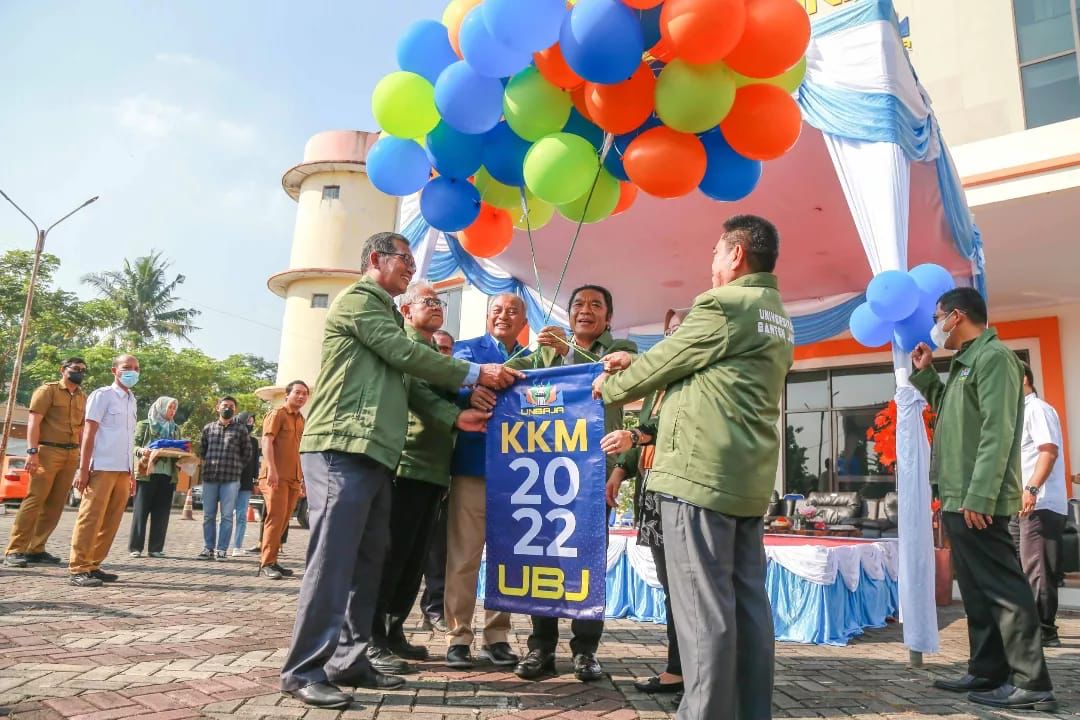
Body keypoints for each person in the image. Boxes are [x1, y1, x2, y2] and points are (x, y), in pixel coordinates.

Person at [279, 232, 520, 710]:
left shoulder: (387, 311)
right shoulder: (360, 301)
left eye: (412, 259)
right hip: (341, 446)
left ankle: (349, 660)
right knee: (333, 561)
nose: (412, 267)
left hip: (376, 453)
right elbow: (407, 355)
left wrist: (457, 416)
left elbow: (409, 384)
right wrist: (475, 374)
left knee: (369, 563)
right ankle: (304, 669)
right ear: (375, 259)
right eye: (404, 259)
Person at [595, 215, 795, 720]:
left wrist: (612, 387)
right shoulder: (775, 314)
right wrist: (635, 363)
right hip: (744, 479)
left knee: (702, 612)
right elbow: (695, 364)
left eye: (714, 253)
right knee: (747, 608)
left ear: (736, 255)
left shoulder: (725, 304)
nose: (710, 265)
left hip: (698, 475)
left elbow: (666, 364)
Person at [911, 287, 1056, 711]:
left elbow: (997, 432)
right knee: (975, 589)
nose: (936, 326)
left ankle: (1033, 683)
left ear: (956, 316)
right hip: (958, 495)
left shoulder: (994, 359)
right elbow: (952, 412)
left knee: (1005, 589)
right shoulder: (964, 363)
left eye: (939, 317)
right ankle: (987, 670)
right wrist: (926, 374)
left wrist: (980, 493)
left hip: (980, 499)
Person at [501, 284, 637, 683]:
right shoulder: (547, 348)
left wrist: (566, 353)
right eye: (578, 304)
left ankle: (585, 651)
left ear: (608, 318)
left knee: (588, 563)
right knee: (543, 557)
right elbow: (519, 390)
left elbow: (614, 382)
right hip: (545, 471)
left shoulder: (620, 350)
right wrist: (523, 354)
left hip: (594, 477)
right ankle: (540, 647)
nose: (586, 310)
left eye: (596, 304)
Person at [367, 282, 463, 672]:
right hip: (406, 464)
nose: (437, 306)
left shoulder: (431, 350)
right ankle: (370, 638)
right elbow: (421, 396)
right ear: (406, 311)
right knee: (391, 556)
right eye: (428, 301)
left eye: (440, 302)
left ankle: (393, 631)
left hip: (435, 469)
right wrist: (459, 416)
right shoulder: (406, 348)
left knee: (414, 559)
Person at [441, 293, 529, 671]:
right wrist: (469, 390)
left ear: (524, 318)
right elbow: (447, 386)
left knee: (507, 558)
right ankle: (458, 636)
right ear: (486, 315)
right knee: (464, 556)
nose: (504, 315)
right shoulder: (465, 352)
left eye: (512, 310)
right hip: (474, 466)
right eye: (497, 309)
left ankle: (498, 636)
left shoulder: (534, 360)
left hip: (520, 474)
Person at [601, 308, 687, 695]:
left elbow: (655, 431)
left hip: (681, 490)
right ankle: (679, 664)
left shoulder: (691, 376)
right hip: (652, 494)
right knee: (671, 584)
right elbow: (645, 429)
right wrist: (620, 471)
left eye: (682, 330)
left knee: (687, 585)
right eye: (669, 330)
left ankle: (684, 667)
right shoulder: (658, 382)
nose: (674, 336)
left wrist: (634, 438)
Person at [4, 357, 87, 568]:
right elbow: (34, 422)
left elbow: (81, 429)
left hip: (70, 454)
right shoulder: (47, 391)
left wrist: (82, 458)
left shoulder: (81, 396)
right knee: (35, 500)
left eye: (83, 370)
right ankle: (15, 550)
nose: (79, 373)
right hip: (47, 451)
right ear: (63, 370)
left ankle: (36, 549)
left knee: (55, 504)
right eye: (76, 369)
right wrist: (32, 452)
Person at [68, 354, 141, 587]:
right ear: (114, 371)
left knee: (111, 520)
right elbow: (88, 434)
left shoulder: (132, 399)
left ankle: (93, 564)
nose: (132, 371)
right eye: (126, 367)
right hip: (101, 466)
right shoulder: (102, 395)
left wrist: (131, 473)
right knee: (90, 518)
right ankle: (78, 568)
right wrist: (83, 468)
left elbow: (129, 438)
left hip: (122, 469)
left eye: (136, 368)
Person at [1010, 363, 1068, 648]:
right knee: (1016, 566)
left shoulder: (1038, 409)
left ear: (1022, 379)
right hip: (1017, 504)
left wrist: (1031, 488)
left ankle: (1045, 630)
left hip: (1038, 503)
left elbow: (1049, 450)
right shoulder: (1017, 413)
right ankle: (1026, 624)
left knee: (1038, 570)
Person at [420, 328, 455, 632]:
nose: (441, 354)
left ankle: (433, 607)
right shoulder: (417, 381)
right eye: (437, 348)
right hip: (414, 472)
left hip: (446, 478)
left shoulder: (455, 388)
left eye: (446, 350)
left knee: (438, 550)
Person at [258, 380, 310, 579]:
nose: (301, 396)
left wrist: (303, 478)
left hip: (293, 478)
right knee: (276, 518)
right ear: (287, 395)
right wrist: (271, 469)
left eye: (305, 393)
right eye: (297, 392)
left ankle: (273, 560)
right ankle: (266, 563)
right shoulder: (277, 414)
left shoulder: (301, 419)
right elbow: (267, 441)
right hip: (275, 477)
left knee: (284, 521)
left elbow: (301, 451)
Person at [196, 396, 250, 560]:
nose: (228, 408)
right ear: (217, 407)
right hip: (210, 477)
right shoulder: (208, 428)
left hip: (231, 479)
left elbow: (247, 453)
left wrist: (236, 467)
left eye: (231, 406)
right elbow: (202, 451)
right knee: (208, 515)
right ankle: (208, 548)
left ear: (236, 410)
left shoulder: (241, 430)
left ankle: (222, 549)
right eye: (225, 405)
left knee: (226, 516)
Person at [129, 397, 181, 558]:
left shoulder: (175, 429)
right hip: (146, 474)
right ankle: (136, 548)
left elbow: (179, 448)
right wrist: (142, 451)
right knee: (141, 511)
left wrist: (182, 455)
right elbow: (133, 445)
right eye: (169, 408)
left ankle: (156, 548)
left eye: (174, 408)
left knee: (162, 512)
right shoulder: (145, 425)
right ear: (161, 407)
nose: (172, 411)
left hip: (167, 475)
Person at [232, 411, 261, 558]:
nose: (250, 424)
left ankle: (237, 546)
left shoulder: (254, 442)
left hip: (246, 482)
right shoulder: (231, 438)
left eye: (252, 421)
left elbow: (255, 463)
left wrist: (255, 481)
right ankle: (221, 546)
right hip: (229, 480)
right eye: (248, 421)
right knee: (226, 515)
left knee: (242, 515)